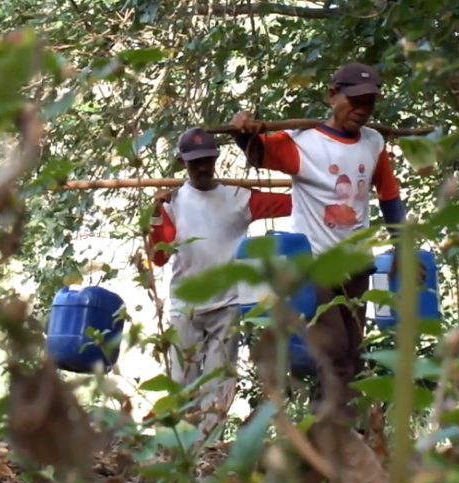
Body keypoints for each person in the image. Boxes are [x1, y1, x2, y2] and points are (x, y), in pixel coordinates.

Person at [230, 62, 406, 422]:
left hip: (357, 265)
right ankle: (329, 433)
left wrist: (401, 248)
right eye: (354, 101)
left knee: (353, 355)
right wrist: (243, 132)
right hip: (314, 265)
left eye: (369, 103)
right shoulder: (304, 143)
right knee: (334, 348)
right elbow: (258, 152)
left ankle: (339, 433)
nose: (361, 110)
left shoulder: (373, 143)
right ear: (332, 96)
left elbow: (389, 196)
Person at [147, 127, 292, 436]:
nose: (201, 167)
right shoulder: (173, 202)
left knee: (218, 384)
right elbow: (158, 257)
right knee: (181, 384)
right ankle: (181, 447)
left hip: (227, 306)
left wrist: (318, 190)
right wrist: (156, 213)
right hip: (185, 308)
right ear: (183, 162)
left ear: (215, 159)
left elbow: (292, 204)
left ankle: (209, 447)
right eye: (194, 161)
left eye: (207, 160)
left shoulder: (238, 197)